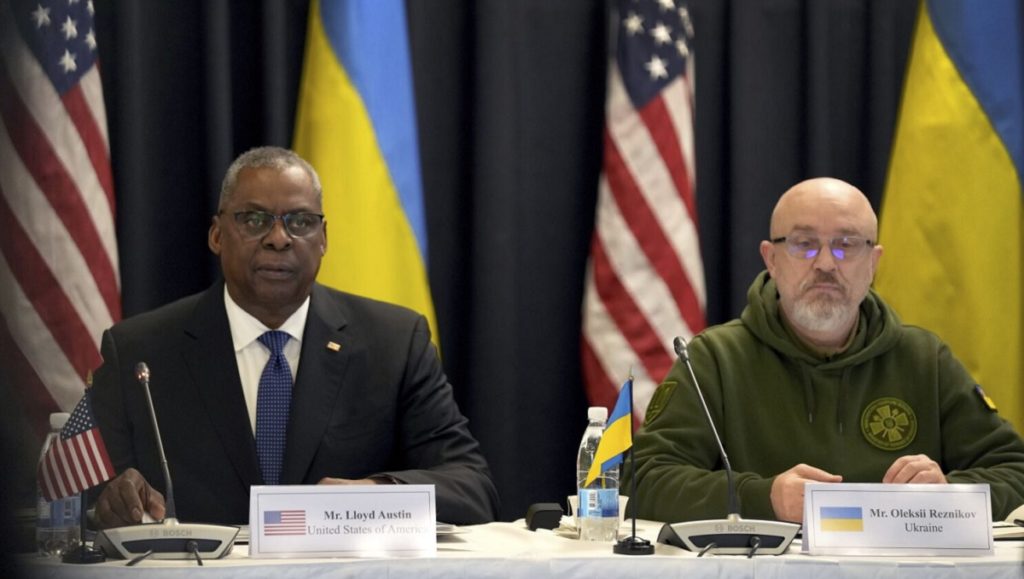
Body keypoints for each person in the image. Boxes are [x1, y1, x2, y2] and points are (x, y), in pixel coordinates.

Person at [90, 147, 499, 528]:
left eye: (300, 222)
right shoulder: (140, 351)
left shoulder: (394, 343)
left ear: (324, 239)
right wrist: (109, 501)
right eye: (254, 219)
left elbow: (472, 487)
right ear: (217, 235)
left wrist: (372, 493)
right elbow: (81, 501)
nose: (279, 238)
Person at [629, 177, 1024, 523]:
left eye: (846, 245)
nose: (825, 263)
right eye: (803, 244)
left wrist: (949, 496)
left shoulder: (924, 359)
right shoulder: (715, 359)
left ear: (873, 262)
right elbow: (641, 479)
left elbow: (1014, 471)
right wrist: (762, 498)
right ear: (771, 259)